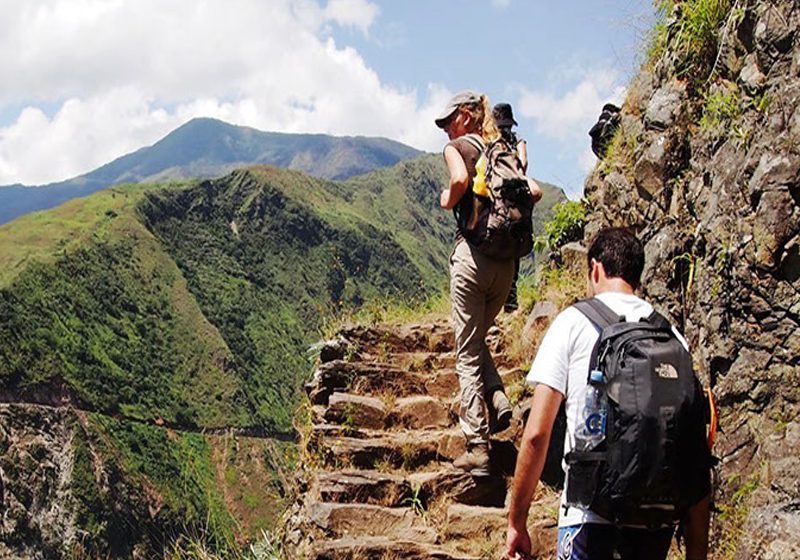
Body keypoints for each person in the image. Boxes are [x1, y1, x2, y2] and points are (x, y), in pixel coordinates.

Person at [505, 227, 711, 560]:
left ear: (595, 268)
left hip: (589, 519)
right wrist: (697, 552)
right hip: (655, 524)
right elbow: (695, 449)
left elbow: (537, 435)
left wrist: (517, 521)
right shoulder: (672, 336)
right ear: (637, 275)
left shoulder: (572, 323)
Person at [434, 90, 516, 476]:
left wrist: (447, 199)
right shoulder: (502, 149)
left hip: (473, 258)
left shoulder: (458, 148)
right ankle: (498, 398)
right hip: (506, 265)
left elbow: (459, 179)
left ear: (467, 116)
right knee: (477, 337)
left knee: (466, 352)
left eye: (449, 120)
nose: (446, 129)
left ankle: (477, 446)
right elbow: (533, 191)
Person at [492, 102, 528, 313]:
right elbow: (524, 164)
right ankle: (510, 300)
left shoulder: (490, 143)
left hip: (496, 200)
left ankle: (496, 300)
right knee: (514, 246)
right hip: (518, 201)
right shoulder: (518, 141)